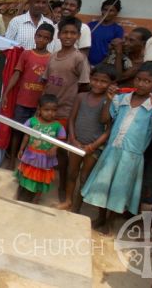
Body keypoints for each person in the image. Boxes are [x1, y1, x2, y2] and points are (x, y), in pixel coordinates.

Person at [81, 62, 152, 233]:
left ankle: (110, 222)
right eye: (138, 79)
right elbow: (105, 119)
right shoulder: (122, 99)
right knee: (103, 185)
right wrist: (108, 100)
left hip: (132, 157)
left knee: (120, 192)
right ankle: (101, 217)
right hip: (112, 151)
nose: (141, 84)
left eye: (147, 81)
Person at [42, 17, 90, 202]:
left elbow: (84, 86)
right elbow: (46, 81)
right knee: (44, 145)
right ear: (58, 35)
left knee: (61, 152)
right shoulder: (53, 56)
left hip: (65, 112)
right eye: (65, 32)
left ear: (78, 36)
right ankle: (41, 180)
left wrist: (74, 110)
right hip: (48, 110)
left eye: (72, 33)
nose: (68, 36)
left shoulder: (79, 58)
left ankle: (63, 187)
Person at [57, 64, 116, 212]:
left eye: (103, 82)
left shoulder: (110, 101)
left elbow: (108, 130)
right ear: (90, 79)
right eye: (95, 80)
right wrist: (73, 139)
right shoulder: (81, 97)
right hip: (76, 143)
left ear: (111, 84)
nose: (98, 84)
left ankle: (77, 206)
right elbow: (71, 119)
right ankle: (68, 201)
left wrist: (93, 146)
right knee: (72, 173)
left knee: (85, 177)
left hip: (94, 147)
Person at [2, 23, 54, 169]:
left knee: (34, 134)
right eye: (39, 36)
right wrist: (6, 93)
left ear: (50, 40)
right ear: (35, 36)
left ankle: (27, 162)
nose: (41, 40)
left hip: (39, 104)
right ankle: (12, 160)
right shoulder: (26, 54)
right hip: (23, 100)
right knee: (17, 131)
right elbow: (17, 73)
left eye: (46, 38)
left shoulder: (52, 58)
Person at [16, 94, 66, 203]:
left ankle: (36, 198)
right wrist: (21, 149)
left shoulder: (58, 126)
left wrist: (54, 148)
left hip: (45, 158)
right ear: (39, 109)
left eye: (53, 110)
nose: (50, 113)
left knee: (41, 177)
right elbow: (26, 135)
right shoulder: (32, 121)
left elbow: (61, 139)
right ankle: (22, 193)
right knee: (26, 173)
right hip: (31, 154)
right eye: (46, 110)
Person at [88, 0, 124, 66]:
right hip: (85, 63)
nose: (107, 13)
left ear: (117, 13)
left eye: (111, 11)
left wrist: (99, 67)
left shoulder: (118, 29)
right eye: (105, 10)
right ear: (101, 10)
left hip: (103, 65)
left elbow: (113, 51)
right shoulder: (90, 25)